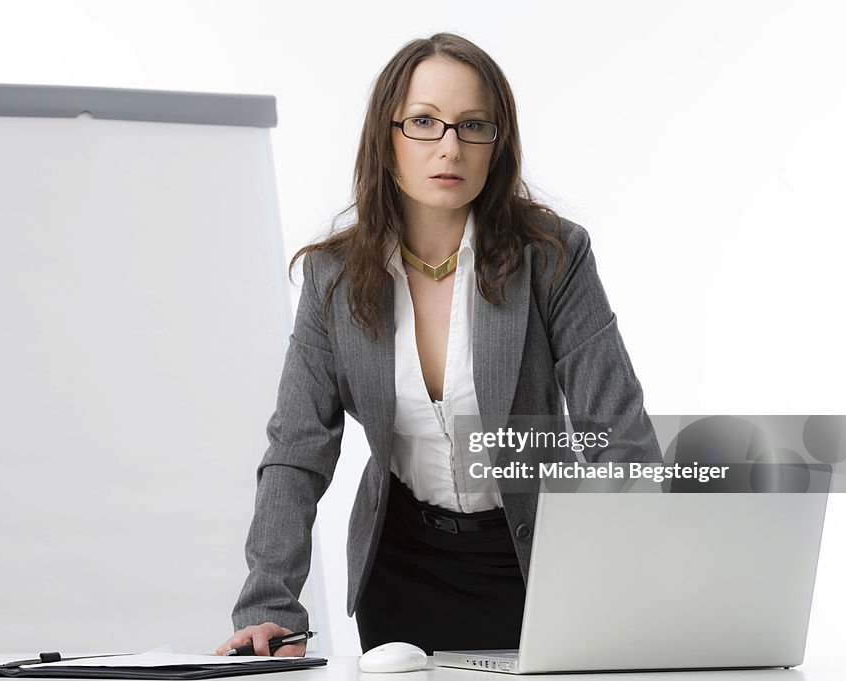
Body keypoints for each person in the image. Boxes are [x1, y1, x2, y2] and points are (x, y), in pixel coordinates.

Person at [215, 32, 660, 657]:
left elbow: (617, 433)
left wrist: (656, 588)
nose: (450, 146)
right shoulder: (333, 278)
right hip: (403, 567)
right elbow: (297, 450)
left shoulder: (553, 256)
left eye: (473, 125)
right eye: (424, 122)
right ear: (386, 137)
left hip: (534, 561)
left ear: (495, 144)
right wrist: (270, 607)